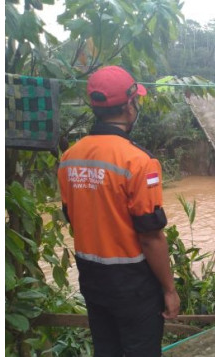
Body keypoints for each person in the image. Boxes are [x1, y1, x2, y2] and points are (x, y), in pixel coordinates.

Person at [57, 66, 180, 357]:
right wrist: (169, 290)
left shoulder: (68, 158)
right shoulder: (139, 162)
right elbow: (151, 237)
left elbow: (73, 218)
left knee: (106, 350)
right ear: (128, 105)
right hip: (132, 283)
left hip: (91, 277)